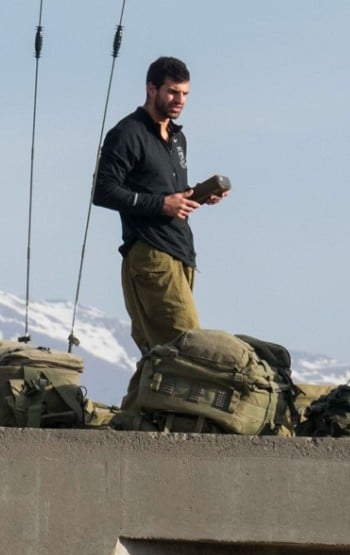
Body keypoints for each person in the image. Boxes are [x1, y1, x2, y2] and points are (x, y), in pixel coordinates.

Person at [94, 56, 228, 412]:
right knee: (189, 349)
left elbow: (171, 195)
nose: (179, 100)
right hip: (150, 255)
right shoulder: (128, 134)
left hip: (181, 254)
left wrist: (200, 196)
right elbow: (104, 191)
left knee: (161, 353)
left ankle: (126, 424)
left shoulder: (177, 139)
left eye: (184, 93)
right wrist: (162, 205)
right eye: (172, 92)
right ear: (151, 89)